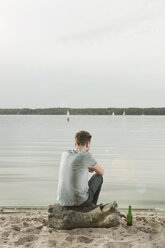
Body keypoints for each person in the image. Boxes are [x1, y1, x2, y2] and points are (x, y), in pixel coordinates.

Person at [57, 130, 104, 207]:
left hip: (62, 201)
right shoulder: (86, 155)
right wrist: (90, 167)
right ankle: (91, 206)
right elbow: (101, 172)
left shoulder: (65, 154)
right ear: (88, 144)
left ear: (75, 144)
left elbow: (72, 167)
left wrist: (86, 167)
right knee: (98, 177)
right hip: (80, 202)